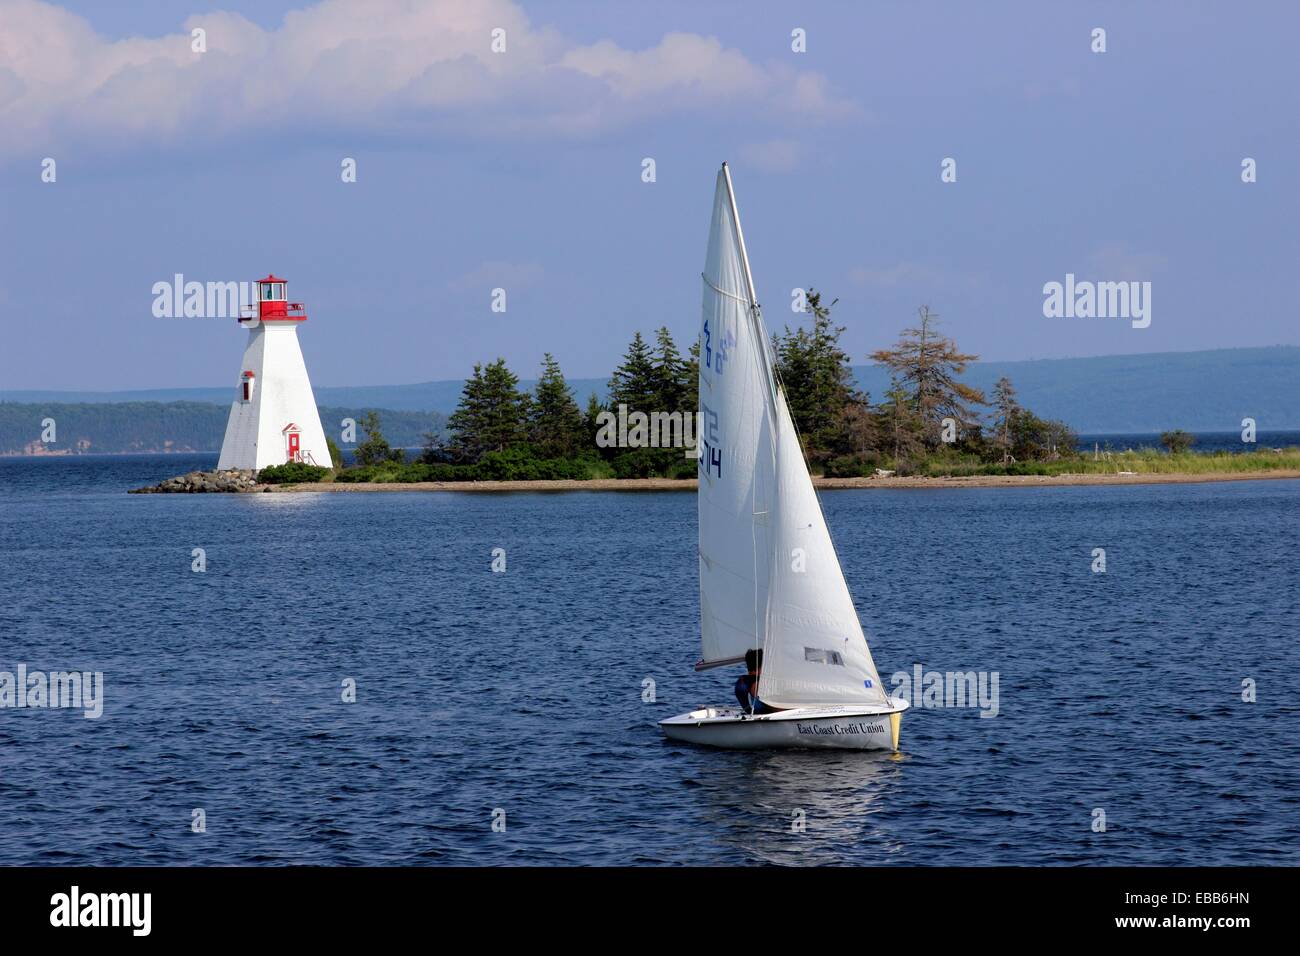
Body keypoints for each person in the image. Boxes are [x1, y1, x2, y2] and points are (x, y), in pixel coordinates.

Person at [733, 648, 778, 715]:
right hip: (767, 718)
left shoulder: (744, 681)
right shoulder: (758, 686)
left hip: (758, 715)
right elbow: (776, 709)